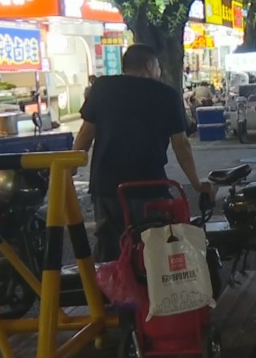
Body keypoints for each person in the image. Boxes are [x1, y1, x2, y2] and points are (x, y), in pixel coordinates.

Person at [73, 44, 214, 262]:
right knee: (152, 250)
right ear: (149, 65)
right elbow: (181, 145)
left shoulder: (102, 88)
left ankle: (112, 293)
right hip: (149, 186)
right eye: (158, 66)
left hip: (107, 186)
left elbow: (85, 134)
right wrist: (197, 183)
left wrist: (70, 166)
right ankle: (150, 292)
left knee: (111, 248)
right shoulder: (167, 95)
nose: (159, 71)